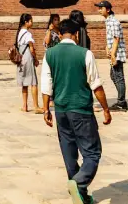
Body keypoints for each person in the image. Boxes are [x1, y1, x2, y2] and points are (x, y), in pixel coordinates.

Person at [41, 18, 112, 204]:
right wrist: (106, 109)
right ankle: (79, 183)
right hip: (81, 109)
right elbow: (96, 85)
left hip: (61, 110)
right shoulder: (85, 54)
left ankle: (81, 194)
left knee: (69, 152)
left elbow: (46, 85)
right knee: (92, 153)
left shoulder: (50, 54)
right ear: (76, 34)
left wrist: (45, 109)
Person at [95, 1, 127, 111]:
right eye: (98, 8)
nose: (99, 10)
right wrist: (107, 48)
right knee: (114, 76)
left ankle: (121, 102)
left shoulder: (113, 21)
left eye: (101, 8)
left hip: (117, 54)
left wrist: (113, 55)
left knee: (118, 77)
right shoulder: (109, 21)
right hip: (114, 52)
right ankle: (121, 101)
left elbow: (116, 38)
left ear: (108, 9)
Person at [16, 13, 40, 113]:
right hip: (27, 58)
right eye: (31, 21)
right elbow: (31, 49)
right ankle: (36, 106)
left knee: (24, 83)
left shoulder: (19, 33)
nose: (32, 22)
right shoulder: (28, 34)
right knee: (33, 82)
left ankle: (25, 105)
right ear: (26, 22)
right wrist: (35, 59)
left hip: (21, 59)